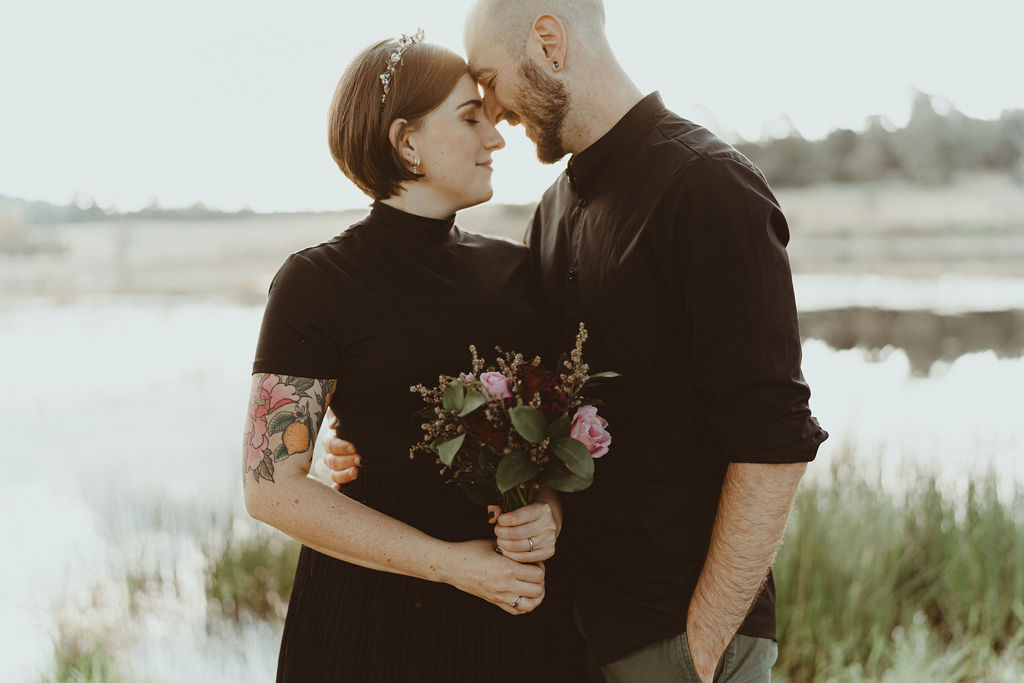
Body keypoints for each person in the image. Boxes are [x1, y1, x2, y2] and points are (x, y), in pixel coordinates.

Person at [332, 2, 828, 681]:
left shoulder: (707, 185)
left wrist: (703, 647)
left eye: (489, 79)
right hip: (572, 631)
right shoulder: (554, 212)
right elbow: (524, 410)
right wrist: (373, 438)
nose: (493, 112)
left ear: (548, 41)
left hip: (679, 636)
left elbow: (772, 438)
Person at [244, 32, 585, 682]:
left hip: (510, 611)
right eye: (471, 118)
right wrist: (452, 564)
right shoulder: (316, 283)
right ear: (406, 143)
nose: (496, 138)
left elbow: (552, 441)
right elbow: (271, 489)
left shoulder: (518, 272)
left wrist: (549, 512)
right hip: (369, 619)